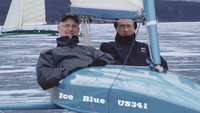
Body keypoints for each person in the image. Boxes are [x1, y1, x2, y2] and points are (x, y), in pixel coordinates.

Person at [36, 14, 115, 90]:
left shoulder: (90, 50)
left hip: (94, 86)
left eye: (74, 26)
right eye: (66, 26)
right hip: (70, 89)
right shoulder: (49, 54)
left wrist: (99, 64)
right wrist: (68, 73)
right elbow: (43, 77)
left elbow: (109, 59)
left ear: (78, 29)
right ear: (59, 29)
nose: (70, 29)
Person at [100, 19, 168, 70]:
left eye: (129, 26)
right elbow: (109, 66)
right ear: (116, 28)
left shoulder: (145, 47)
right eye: (122, 26)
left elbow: (163, 66)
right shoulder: (108, 47)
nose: (126, 29)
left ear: (134, 28)